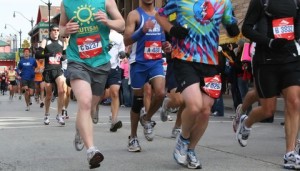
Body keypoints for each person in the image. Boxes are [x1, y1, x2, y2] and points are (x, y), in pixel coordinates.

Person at [156, 0, 239, 169]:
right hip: (185, 59)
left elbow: (230, 25)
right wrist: (171, 29)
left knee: (206, 110)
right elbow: (159, 15)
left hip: (210, 62)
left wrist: (232, 27)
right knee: (194, 106)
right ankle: (183, 139)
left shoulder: (223, 3)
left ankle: (191, 150)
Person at [59, 0, 125, 168]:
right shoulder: (66, 3)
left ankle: (80, 130)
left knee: (90, 107)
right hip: (77, 60)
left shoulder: (106, 1)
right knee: (86, 102)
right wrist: (65, 31)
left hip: (100, 63)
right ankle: (91, 151)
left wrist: (107, 21)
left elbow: (122, 24)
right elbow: (60, 29)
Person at [236, 0, 300, 169]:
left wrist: (295, 39)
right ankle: (246, 123)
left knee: (294, 102)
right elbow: (247, 28)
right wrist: (269, 41)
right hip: (266, 60)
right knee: (268, 110)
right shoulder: (261, 1)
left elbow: (297, 25)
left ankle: (290, 154)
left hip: (290, 58)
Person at [123, 0, 170, 152]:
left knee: (161, 93)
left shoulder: (160, 14)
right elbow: (127, 39)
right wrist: (142, 30)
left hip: (156, 61)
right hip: (139, 62)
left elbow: (162, 39)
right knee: (138, 101)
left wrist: (166, 46)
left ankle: (147, 118)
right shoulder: (134, 15)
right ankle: (133, 137)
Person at [35, 24, 67, 126]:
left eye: (58, 30)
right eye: (54, 30)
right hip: (48, 70)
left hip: (58, 69)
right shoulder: (46, 41)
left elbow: (65, 54)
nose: (56, 32)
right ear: (50, 32)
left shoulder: (61, 42)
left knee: (62, 90)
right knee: (48, 95)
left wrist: (63, 58)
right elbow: (37, 54)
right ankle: (47, 115)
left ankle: (59, 115)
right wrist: (47, 55)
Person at [97, 29, 125, 133]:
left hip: (114, 68)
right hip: (101, 67)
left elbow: (122, 50)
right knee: (100, 94)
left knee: (115, 92)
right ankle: (96, 108)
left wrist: (122, 53)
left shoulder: (119, 36)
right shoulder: (99, 33)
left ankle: (114, 120)